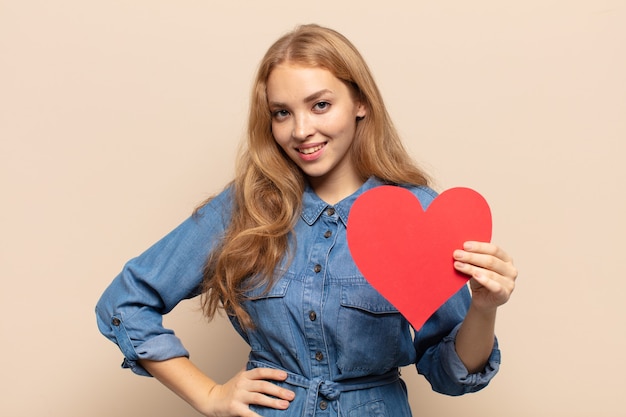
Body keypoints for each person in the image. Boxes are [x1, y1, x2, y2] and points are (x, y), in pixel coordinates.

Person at [96, 23, 517, 417]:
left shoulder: (418, 214)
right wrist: (209, 395)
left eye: (320, 105)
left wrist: (483, 308)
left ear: (360, 103)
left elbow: (451, 376)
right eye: (282, 113)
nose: (301, 130)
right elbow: (125, 303)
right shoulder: (245, 207)